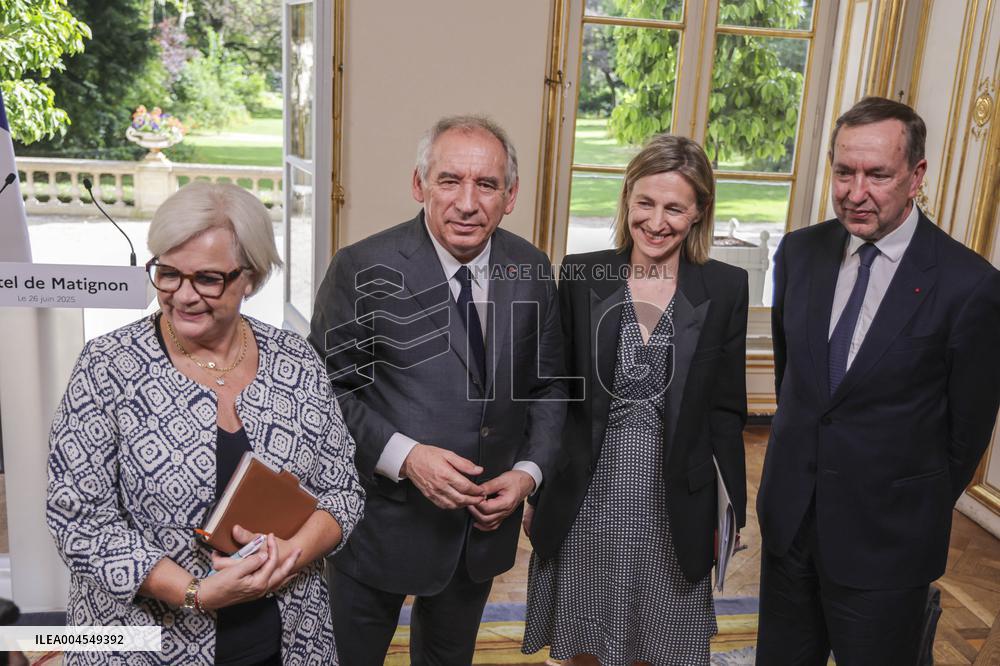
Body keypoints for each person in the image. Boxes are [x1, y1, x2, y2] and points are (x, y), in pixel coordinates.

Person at [46, 182, 365, 665]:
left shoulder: (295, 360)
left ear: (250, 277)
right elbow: (78, 520)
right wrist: (195, 592)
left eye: (207, 279)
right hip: (145, 645)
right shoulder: (108, 366)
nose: (183, 295)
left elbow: (343, 491)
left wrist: (291, 555)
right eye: (168, 273)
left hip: (290, 638)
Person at [309, 115, 566, 665]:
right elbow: (326, 390)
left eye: (487, 184)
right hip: (378, 526)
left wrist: (528, 473)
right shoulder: (361, 266)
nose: (467, 203)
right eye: (450, 180)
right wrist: (405, 457)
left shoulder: (532, 268)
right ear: (419, 184)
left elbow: (549, 387)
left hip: (479, 531)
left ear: (511, 196)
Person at [756, 96, 1000, 665]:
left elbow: (966, 434)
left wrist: (904, 508)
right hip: (791, 524)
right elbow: (799, 384)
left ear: (916, 175)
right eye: (844, 172)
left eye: (877, 174)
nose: (855, 191)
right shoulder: (799, 253)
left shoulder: (969, 285)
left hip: (887, 545)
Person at [522, 134, 749, 666]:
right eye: (645, 202)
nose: (656, 221)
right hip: (587, 496)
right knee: (583, 646)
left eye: (675, 208)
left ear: (699, 211)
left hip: (676, 502)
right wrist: (537, 491)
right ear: (627, 198)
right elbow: (556, 394)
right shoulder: (582, 274)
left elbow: (725, 412)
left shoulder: (726, 288)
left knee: (659, 647)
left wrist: (731, 510)